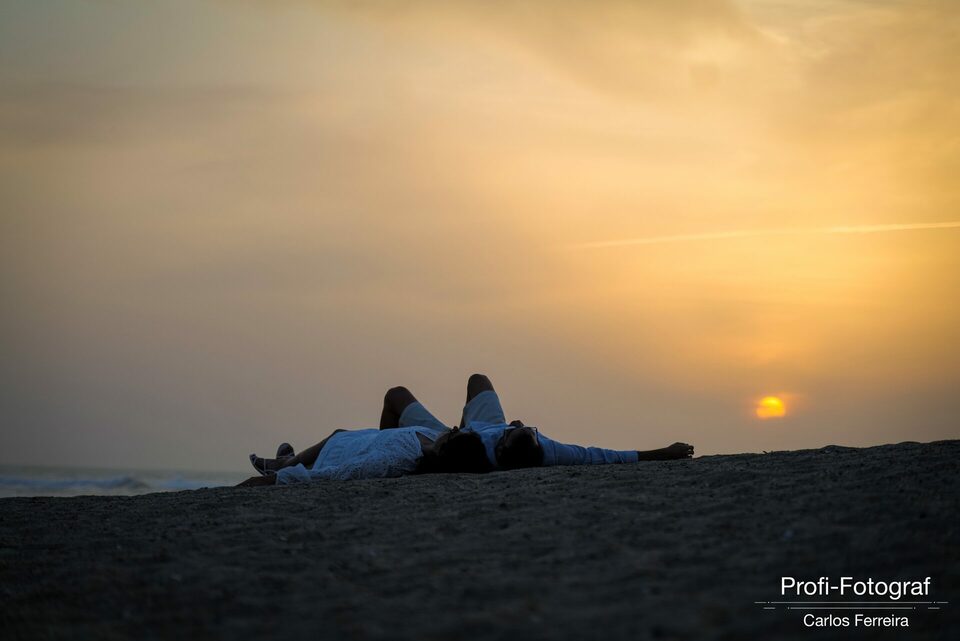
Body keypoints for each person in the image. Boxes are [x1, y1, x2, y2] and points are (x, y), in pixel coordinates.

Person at [381, 374, 694, 470]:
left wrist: (452, 444)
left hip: (448, 440)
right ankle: (462, 433)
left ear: (502, 450)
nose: (520, 427)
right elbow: (605, 456)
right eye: (522, 430)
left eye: (514, 433)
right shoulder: (545, 449)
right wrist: (665, 452)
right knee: (478, 381)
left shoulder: (491, 456)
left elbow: (604, 458)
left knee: (396, 395)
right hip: (476, 429)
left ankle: (382, 450)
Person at [237, 419, 490, 487]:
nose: (454, 427)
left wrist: (274, 481)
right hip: (354, 439)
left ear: (446, 449)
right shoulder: (433, 439)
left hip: (335, 455)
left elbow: (337, 474)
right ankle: (285, 461)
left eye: (456, 433)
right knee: (339, 432)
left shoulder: (395, 462)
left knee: (335, 437)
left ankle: (282, 466)